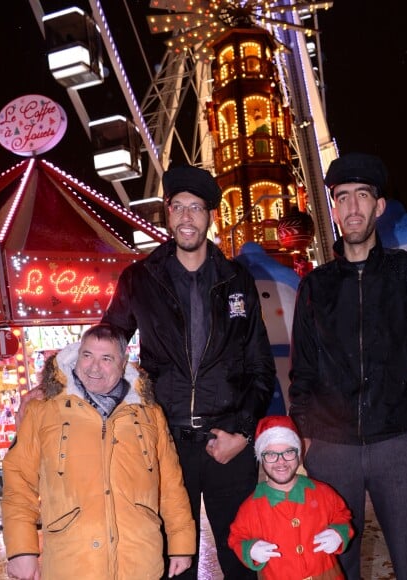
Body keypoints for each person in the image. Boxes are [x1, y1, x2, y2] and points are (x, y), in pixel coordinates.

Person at [102, 164, 276, 579]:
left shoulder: (237, 280)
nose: (186, 217)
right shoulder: (140, 279)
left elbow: (261, 367)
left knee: (243, 560)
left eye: (195, 208)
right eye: (177, 207)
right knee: (173, 562)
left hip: (228, 440)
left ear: (210, 216)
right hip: (165, 442)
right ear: (167, 212)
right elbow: (106, 348)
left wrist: (243, 432)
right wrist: (57, 383)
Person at [288, 152, 407, 579]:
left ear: (379, 206)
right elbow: (303, 370)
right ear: (333, 209)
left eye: (362, 196)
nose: (352, 207)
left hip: (399, 441)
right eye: (343, 197)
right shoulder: (315, 285)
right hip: (331, 448)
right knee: (337, 564)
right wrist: (308, 436)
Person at [2, 323, 196, 580]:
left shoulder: (149, 413)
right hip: (71, 563)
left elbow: (171, 485)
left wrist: (181, 545)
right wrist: (20, 551)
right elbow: (19, 482)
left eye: (106, 358)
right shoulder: (43, 410)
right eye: (87, 355)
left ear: (123, 362)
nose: (94, 367)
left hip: (139, 562)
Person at [228, 415, 353, 579]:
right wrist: (250, 549)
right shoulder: (251, 507)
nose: (281, 462)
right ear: (261, 458)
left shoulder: (323, 493)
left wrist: (339, 533)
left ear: (299, 455)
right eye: (271, 454)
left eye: (288, 452)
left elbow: (342, 515)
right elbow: (236, 537)